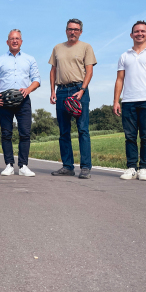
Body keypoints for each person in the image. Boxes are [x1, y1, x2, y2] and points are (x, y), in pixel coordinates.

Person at [113, 20, 146, 181]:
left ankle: (144, 168)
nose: (139, 34)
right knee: (129, 136)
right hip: (128, 101)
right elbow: (119, 80)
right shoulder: (124, 55)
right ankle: (131, 167)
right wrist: (116, 101)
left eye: (142, 31)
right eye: (136, 31)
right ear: (131, 35)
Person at [0, 29, 40, 177]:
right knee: (6, 134)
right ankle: (9, 165)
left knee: (25, 133)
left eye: (17, 38)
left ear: (21, 41)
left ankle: (23, 166)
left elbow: (37, 79)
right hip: (4, 101)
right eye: (12, 38)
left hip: (23, 100)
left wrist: (28, 89)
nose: (15, 41)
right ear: (7, 42)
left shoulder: (30, 59)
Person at [49, 19, 96, 179]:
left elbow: (89, 71)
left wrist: (82, 89)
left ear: (80, 31)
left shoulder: (86, 47)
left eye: (76, 29)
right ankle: (68, 166)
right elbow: (53, 71)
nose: (72, 32)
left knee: (83, 130)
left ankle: (85, 167)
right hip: (61, 91)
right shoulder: (57, 48)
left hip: (79, 90)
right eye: (70, 29)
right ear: (66, 30)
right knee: (64, 131)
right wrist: (52, 91)